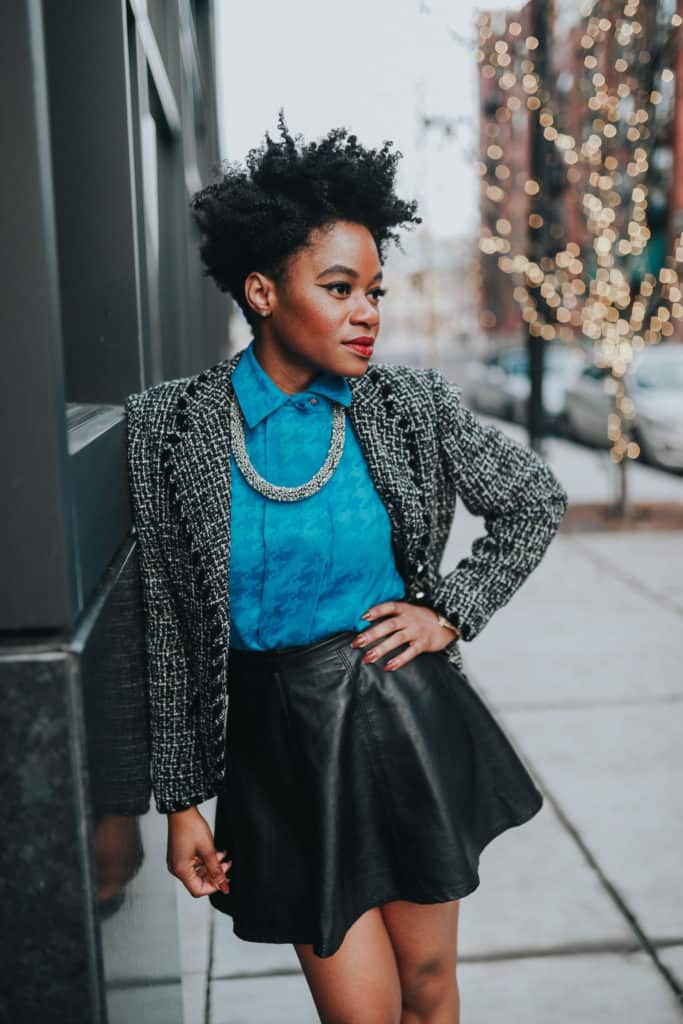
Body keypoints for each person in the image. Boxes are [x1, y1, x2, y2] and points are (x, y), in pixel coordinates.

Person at [125, 112, 569, 1024]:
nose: (367, 311)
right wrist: (182, 803)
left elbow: (534, 498)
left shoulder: (405, 404)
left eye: (375, 290)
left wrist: (449, 607)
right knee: (360, 1012)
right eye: (339, 287)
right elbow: (168, 623)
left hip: (397, 715)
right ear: (259, 290)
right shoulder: (172, 427)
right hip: (277, 746)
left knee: (428, 987)